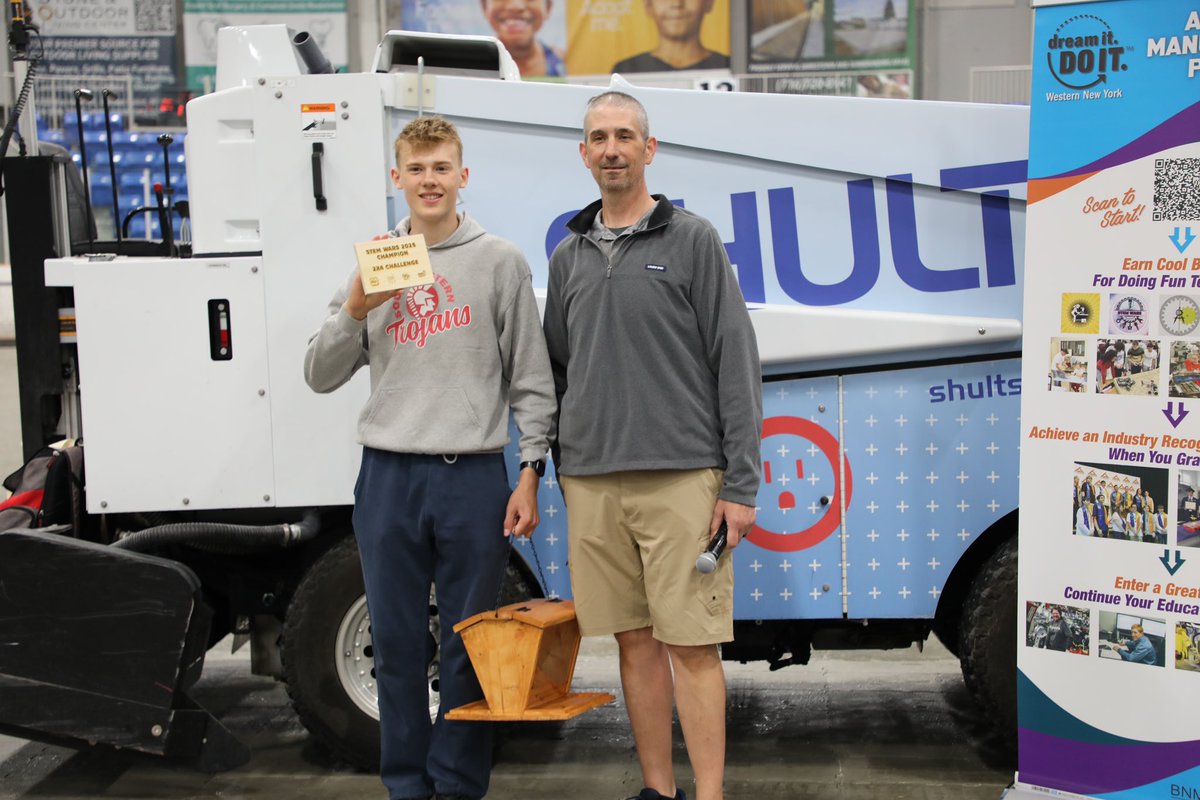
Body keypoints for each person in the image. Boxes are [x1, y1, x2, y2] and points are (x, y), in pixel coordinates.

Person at [304, 116, 556, 800]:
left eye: (441, 168)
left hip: (471, 475)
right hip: (388, 474)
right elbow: (319, 374)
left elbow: (532, 380)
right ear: (398, 179)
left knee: (472, 645)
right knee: (396, 646)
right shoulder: (378, 262)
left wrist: (529, 471)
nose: (429, 180)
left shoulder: (499, 261)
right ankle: (407, 786)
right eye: (416, 170)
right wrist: (357, 307)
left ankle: (457, 783)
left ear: (462, 176)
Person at [543, 91, 762, 800]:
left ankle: (709, 795)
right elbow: (558, 369)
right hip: (593, 481)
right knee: (634, 644)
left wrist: (740, 484)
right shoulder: (568, 256)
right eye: (599, 137)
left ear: (649, 149)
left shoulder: (692, 238)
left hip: (681, 480)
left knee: (691, 645)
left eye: (625, 136)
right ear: (583, 153)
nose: (612, 148)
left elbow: (735, 360)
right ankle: (658, 790)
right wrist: (551, 465)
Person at [612, 0, 730, 73]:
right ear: (648, 5)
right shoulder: (625, 70)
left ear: (709, 2)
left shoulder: (730, 67)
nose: (677, 3)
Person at [482, 0, 565, 77]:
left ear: (548, 7)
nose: (515, 6)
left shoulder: (567, 63)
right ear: (485, 6)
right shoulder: (473, 64)